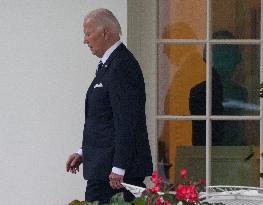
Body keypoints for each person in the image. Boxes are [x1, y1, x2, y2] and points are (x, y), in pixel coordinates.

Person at [66, 8, 153, 204]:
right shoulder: (109, 65)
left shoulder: (122, 65)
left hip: (115, 176)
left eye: (88, 34)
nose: (85, 40)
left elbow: (127, 120)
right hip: (103, 168)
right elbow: (103, 119)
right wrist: (83, 152)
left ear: (105, 32)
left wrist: (119, 166)